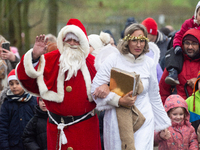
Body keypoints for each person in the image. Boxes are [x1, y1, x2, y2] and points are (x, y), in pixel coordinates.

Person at [16, 18, 101, 150]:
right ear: (63, 40)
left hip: (85, 131)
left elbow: (108, 88)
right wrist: (34, 57)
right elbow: (28, 81)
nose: (72, 43)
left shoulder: (94, 63)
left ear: (82, 42)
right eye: (69, 39)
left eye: (76, 40)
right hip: (56, 129)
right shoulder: (49, 60)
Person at [91, 23, 171, 150]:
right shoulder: (113, 59)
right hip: (116, 121)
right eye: (134, 40)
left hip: (144, 119)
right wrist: (119, 100)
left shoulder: (149, 63)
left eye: (142, 41)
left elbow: (154, 95)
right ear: (127, 41)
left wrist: (162, 124)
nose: (138, 45)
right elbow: (94, 90)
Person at [159, 28, 200, 104]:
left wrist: (198, 83)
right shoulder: (175, 61)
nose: (190, 47)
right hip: (178, 112)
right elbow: (163, 90)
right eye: (187, 43)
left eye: (194, 43)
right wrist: (166, 111)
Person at [165, 1, 200, 85]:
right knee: (173, 52)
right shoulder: (188, 23)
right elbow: (179, 35)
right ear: (196, 14)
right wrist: (177, 45)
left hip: (198, 53)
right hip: (185, 51)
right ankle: (173, 72)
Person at [0, 69, 37, 150]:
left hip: (32, 144)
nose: (14, 86)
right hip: (13, 145)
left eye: (18, 83)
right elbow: (3, 126)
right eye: (11, 84)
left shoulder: (33, 100)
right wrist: (4, 146)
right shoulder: (6, 103)